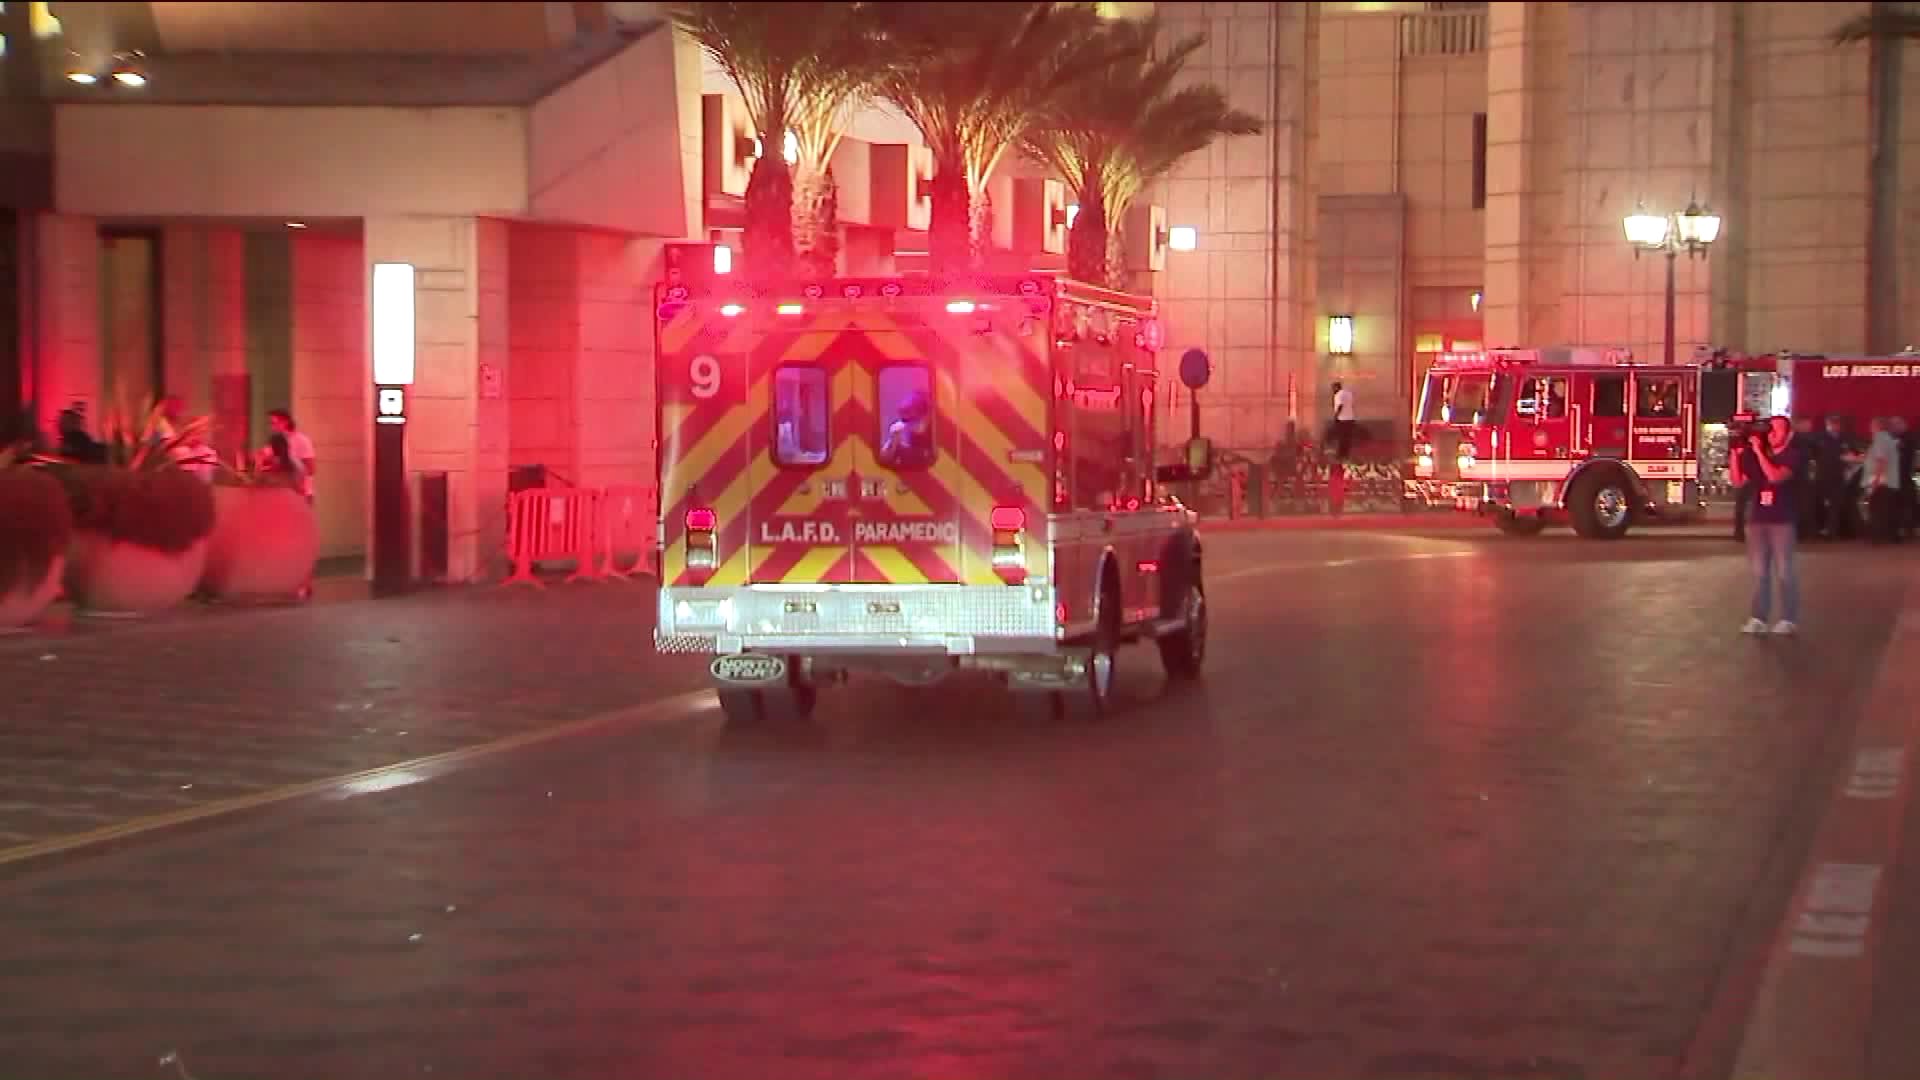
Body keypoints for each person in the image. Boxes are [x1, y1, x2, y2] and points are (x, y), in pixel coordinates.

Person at [1729, 415, 1803, 636]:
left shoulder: (1793, 456)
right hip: (1758, 521)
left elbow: (1775, 476)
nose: (1772, 433)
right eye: (1770, 429)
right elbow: (1738, 480)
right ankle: (1758, 617)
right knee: (1760, 572)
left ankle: (1788, 619)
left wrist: (1759, 451)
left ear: (1789, 435)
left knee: (1784, 571)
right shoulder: (1757, 455)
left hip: (1782, 521)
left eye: (1778, 429)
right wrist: (1735, 452)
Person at [1864, 416, 1902, 545]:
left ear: (1877, 426)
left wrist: (1876, 480)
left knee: (1876, 509)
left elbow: (1881, 460)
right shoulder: (1889, 439)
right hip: (1890, 480)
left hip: (1882, 480)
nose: (1870, 428)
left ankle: (1875, 538)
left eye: (1872, 425)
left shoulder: (1880, 438)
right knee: (1887, 509)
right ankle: (1891, 536)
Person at [268, 408, 315, 505]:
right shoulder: (277, 441)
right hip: (283, 490)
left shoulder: (301, 440)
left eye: (274, 423)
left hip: (301, 493)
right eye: (270, 423)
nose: (272, 427)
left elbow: (311, 468)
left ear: (285, 422)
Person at [1330, 381, 1356, 460]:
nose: (1332, 390)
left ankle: (1340, 455)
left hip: (1342, 419)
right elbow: (1351, 404)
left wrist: (1336, 416)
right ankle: (1346, 454)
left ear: (1336, 387)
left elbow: (1340, 406)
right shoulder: (1349, 393)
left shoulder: (1338, 395)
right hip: (1350, 418)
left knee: (1341, 438)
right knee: (1347, 438)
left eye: (1333, 388)